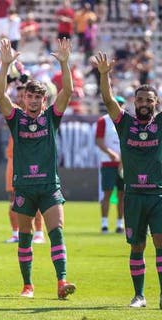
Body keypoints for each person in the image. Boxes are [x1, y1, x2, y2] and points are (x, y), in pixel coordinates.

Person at [0, 38, 75, 299]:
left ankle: (62, 282)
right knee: (26, 236)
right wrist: (5, 66)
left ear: (43, 99)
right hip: (24, 187)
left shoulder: (51, 117)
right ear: (24, 97)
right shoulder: (16, 118)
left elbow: (68, 93)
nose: (32, 100)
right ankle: (27, 285)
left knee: (57, 231)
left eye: (37, 96)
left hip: (49, 185)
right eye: (29, 96)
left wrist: (64, 63)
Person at [94, 51, 162, 309]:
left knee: (160, 245)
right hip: (133, 194)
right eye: (141, 99)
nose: (144, 103)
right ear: (134, 101)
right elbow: (108, 99)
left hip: (158, 194)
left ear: (156, 103)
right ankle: (139, 296)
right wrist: (104, 75)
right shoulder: (125, 124)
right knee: (137, 246)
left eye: (149, 100)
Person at [5, 84, 45, 244]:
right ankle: (15, 232)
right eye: (21, 95)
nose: (22, 98)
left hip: (32, 161)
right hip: (13, 161)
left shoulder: (38, 114)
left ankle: (39, 232)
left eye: (24, 95)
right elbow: (4, 101)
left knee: (37, 198)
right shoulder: (15, 114)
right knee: (13, 199)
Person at [95, 95, 125, 234]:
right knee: (106, 194)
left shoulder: (126, 121)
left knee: (122, 195)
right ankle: (104, 223)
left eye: (120, 104)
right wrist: (111, 153)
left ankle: (120, 224)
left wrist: (123, 159)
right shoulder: (103, 121)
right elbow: (99, 141)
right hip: (108, 162)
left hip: (123, 164)